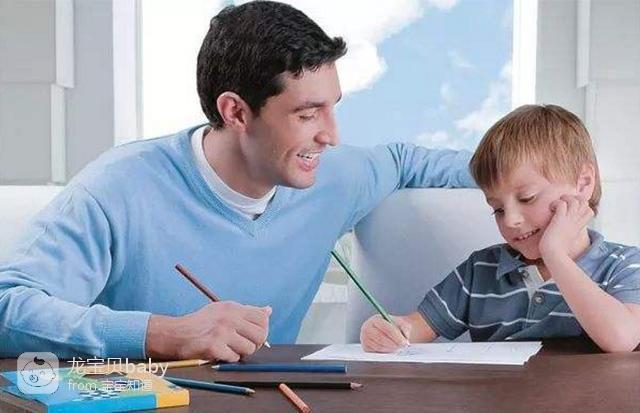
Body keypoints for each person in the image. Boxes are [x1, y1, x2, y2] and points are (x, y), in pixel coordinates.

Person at [0, 1, 474, 361]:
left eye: (333, 107)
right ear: (236, 112)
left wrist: (522, 172)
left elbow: (405, 161)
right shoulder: (118, 187)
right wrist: (166, 333)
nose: (331, 135)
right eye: (307, 114)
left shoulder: (333, 175)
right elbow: (8, 307)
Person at [360, 104, 640, 353]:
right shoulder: (479, 270)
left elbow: (621, 339)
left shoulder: (625, 265)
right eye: (498, 209)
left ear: (583, 183)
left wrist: (555, 254)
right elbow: (413, 328)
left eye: (527, 198)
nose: (510, 220)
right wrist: (388, 331)